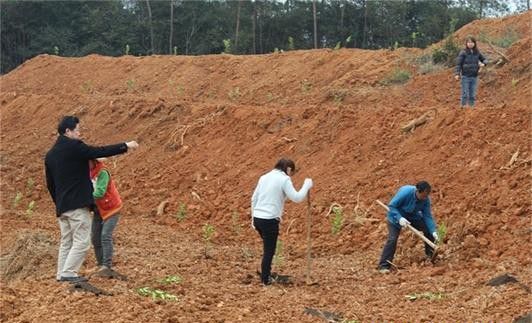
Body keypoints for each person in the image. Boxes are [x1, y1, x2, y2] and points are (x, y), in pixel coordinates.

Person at [45, 116, 138, 283]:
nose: (79, 133)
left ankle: (61, 274)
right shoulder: (74, 147)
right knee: (82, 241)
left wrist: (59, 203)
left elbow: (50, 185)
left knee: (67, 241)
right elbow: (99, 151)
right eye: (77, 130)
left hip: (62, 207)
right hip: (77, 205)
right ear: (68, 131)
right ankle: (69, 273)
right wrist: (125, 146)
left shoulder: (50, 155)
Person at [251, 158, 313, 286]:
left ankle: (265, 272)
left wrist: (253, 218)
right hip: (269, 220)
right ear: (288, 169)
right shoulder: (284, 179)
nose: (291, 175)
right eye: (292, 172)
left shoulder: (264, 177)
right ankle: (265, 279)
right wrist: (306, 185)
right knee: (269, 251)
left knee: (267, 247)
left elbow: (254, 198)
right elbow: (297, 198)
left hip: (258, 218)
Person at [377, 181, 438, 274]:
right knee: (392, 239)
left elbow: (427, 216)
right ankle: (383, 266)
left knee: (428, 230)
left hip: (412, 216)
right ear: (418, 191)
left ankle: (430, 256)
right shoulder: (406, 192)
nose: (425, 198)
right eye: (423, 196)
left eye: (426, 196)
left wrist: (433, 231)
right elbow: (392, 206)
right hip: (395, 217)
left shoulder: (426, 200)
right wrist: (400, 218)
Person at [89, 159, 125, 279]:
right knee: (95, 237)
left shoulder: (102, 173)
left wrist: (83, 197)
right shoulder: (87, 173)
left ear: (93, 161)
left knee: (105, 236)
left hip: (111, 208)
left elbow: (100, 192)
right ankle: (100, 265)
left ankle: (106, 265)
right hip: (99, 209)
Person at [454, 36, 488, 108]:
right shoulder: (463, 52)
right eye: (469, 42)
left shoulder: (477, 52)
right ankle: (463, 108)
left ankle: (471, 109)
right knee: (465, 93)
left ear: (474, 43)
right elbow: (458, 64)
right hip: (465, 76)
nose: (470, 44)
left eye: (472, 42)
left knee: (472, 94)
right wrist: (457, 73)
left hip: (474, 76)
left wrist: (484, 64)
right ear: (466, 43)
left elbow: (484, 59)